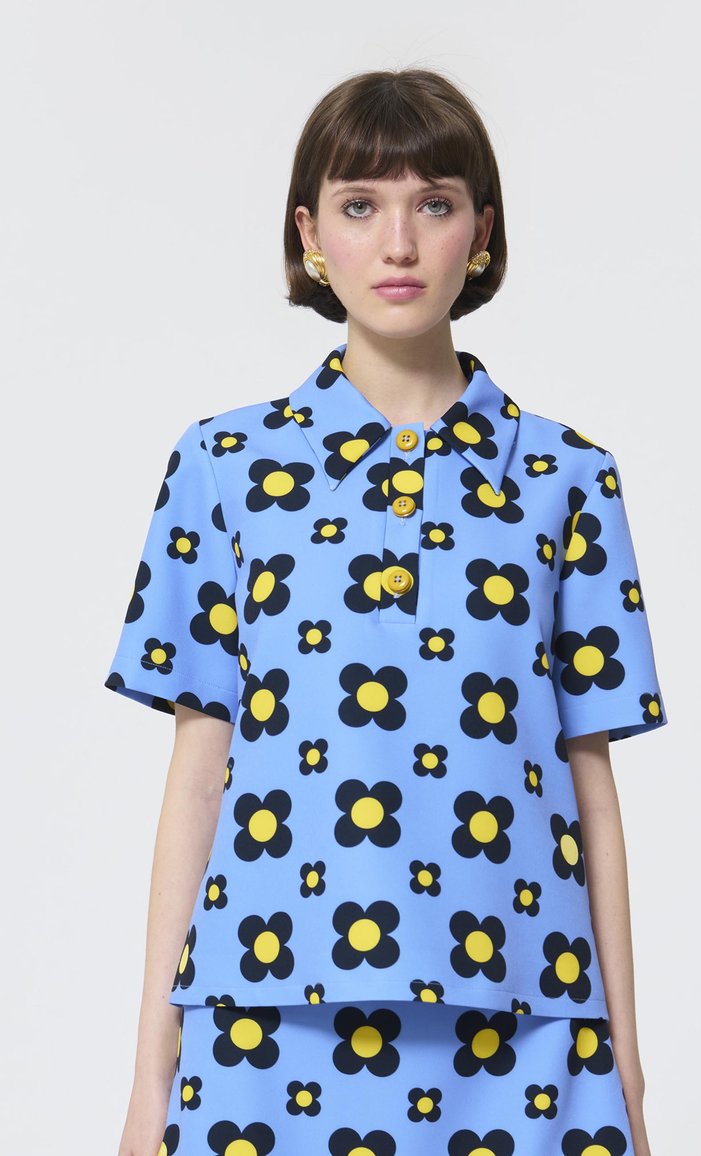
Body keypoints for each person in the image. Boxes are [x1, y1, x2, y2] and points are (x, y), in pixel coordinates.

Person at [106, 67, 668, 1156]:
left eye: (435, 203)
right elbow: (198, 769)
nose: (399, 244)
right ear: (309, 235)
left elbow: (588, 783)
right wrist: (149, 1075)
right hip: (263, 1017)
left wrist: (627, 1071)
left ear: (481, 233)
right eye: (360, 205)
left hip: (523, 1022)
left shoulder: (565, 476)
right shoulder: (224, 465)